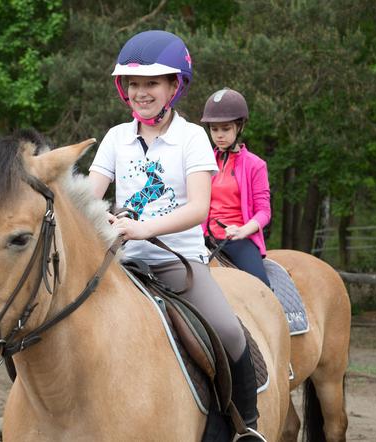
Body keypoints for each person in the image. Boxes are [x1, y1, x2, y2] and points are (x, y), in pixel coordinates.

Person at [88, 30, 265, 442]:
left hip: (177, 264)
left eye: (151, 83)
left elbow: (198, 208)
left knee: (229, 332)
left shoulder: (191, 138)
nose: (140, 92)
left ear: (174, 86)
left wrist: (143, 229)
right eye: (133, 83)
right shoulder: (116, 138)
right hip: (120, 262)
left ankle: (246, 427)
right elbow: (90, 194)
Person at [200, 88, 271, 288]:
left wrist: (242, 231)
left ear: (239, 127)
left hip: (237, 240)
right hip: (204, 240)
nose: (219, 135)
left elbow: (264, 211)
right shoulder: (203, 162)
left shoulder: (255, 165)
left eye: (225, 129)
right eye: (214, 129)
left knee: (262, 288)